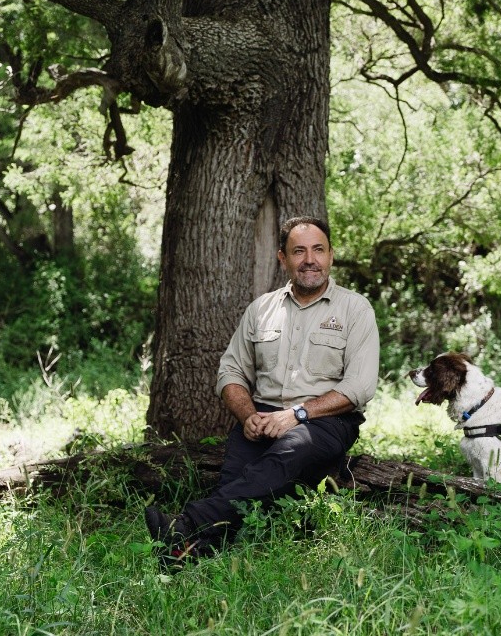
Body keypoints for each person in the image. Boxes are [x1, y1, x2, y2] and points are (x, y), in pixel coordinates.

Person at [144, 216, 380, 569]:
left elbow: (359, 387)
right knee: (238, 480)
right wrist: (247, 415)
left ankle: (186, 523)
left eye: (318, 250)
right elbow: (231, 371)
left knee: (289, 451)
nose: (309, 259)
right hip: (262, 417)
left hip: (325, 421)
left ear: (331, 255)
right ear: (282, 258)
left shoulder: (355, 309)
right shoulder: (261, 309)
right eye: (298, 251)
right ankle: (182, 555)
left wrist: (296, 415)